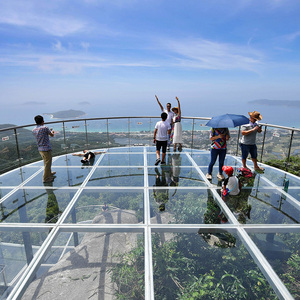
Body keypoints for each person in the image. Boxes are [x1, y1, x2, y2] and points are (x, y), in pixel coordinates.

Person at [32, 115, 56, 183]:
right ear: (42, 121)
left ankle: (49, 173)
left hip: (40, 148)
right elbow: (52, 135)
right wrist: (52, 132)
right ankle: (45, 178)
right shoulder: (45, 128)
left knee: (46, 162)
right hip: (46, 148)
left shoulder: (33, 130)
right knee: (48, 163)